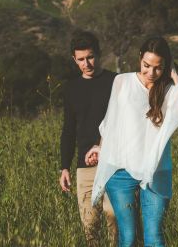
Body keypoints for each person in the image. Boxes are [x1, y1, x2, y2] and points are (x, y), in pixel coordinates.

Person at [85, 36, 178, 247]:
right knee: (127, 237)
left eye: (158, 68)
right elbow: (111, 121)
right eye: (146, 65)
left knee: (154, 236)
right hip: (121, 169)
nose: (151, 73)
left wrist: (176, 78)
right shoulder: (122, 81)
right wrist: (100, 146)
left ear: (166, 66)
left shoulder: (170, 91)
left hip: (156, 171)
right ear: (139, 59)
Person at [59, 31, 117, 246]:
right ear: (74, 59)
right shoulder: (71, 88)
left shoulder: (115, 82)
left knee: (115, 223)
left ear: (99, 54)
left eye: (90, 57)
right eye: (81, 59)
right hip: (84, 167)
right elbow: (68, 130)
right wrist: (64, 167)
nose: (87, 63)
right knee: (90, 228)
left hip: (115, 164)